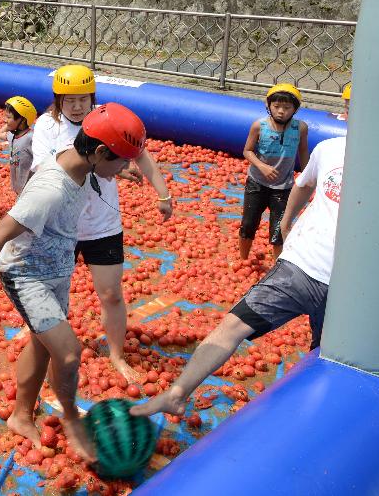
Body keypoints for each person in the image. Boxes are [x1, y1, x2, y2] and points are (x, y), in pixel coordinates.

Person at [0, 103, 149, 461]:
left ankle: (21, 416)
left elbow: (93, 162)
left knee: (42, 344)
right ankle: (70, 418)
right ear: (98, 152)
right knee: (67, 351)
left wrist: (115, 172)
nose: (124, 167)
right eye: (120, 161)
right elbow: (0, 232)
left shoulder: (82, 160)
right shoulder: (49, 189)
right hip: (25, 274)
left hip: (57, 270)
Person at [131, 133, 347, 419]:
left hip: (349, 285)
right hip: (300, 265)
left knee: (328, 357)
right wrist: (285, 220)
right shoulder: (330, 148)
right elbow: (304, 184)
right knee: (232, 325)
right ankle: (177, 393)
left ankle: (311, 416)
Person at [30, 64, 173, 381]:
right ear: (58, 99)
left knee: (111, 295)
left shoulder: (106, 120)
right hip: (62, 225)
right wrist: (110, 168)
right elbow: (45, 170)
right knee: (51, 293)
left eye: (83, 99)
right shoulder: (46, 127)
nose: (78, 106)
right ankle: (44, 344)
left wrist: (162, 194)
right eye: (70, 100)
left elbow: (140, 153)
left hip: (103, 225)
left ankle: (117, 355)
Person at [239, 83, 309, 260]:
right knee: (248, 224)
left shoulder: (300, 128)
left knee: (279, 229)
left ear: (295, 109)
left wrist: (308, 175)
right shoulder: (259, 126)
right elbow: (247, 151)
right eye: (276, 106)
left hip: (284, 187)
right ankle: (243, 260)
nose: (281, 111)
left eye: (287, 108)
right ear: (268, 106)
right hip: (257, 183)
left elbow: (302, 151)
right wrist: (261, 166)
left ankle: (278, 266)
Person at [0, 96, 37, 194]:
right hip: (18, 185)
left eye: (9, 117)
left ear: (22, 120)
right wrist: (9, 123)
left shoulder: (31, 138)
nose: (4, 120)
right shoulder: (12, 135)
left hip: (31, 187)